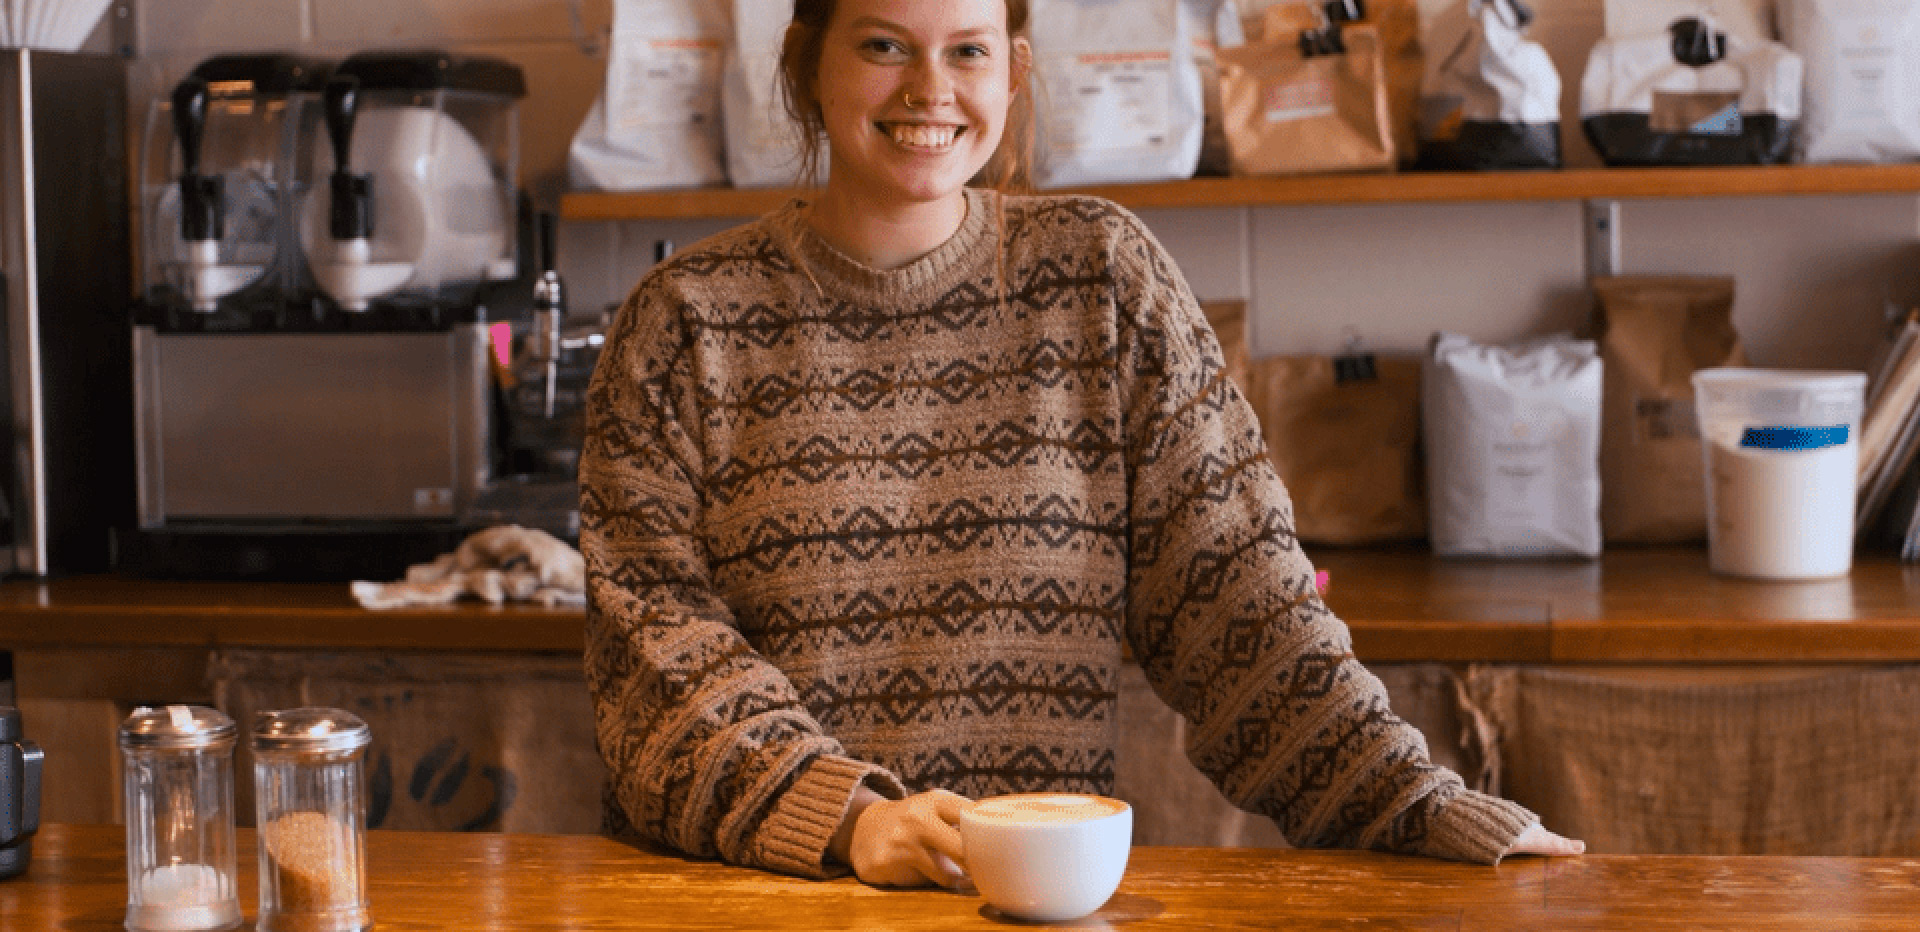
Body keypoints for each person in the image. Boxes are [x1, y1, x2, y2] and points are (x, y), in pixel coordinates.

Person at [581, 0, 1585, 891]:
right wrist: (851, 817)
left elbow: (1243, 609)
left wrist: (1414, 803)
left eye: (967, 51)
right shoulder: (683, 323)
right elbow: (652, 652)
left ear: (1013, 71)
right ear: (808, 64)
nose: (930, 89)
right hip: (759, 898)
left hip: (1026, 905)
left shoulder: (1102, 279)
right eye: (885, 45)